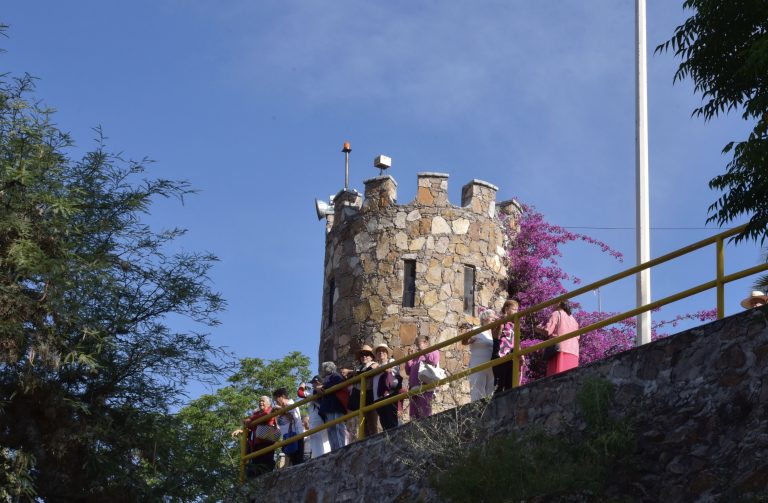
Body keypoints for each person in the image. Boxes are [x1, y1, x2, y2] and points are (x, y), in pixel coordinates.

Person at [536, 301, 580, 377]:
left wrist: (538, 329)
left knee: (556, 377)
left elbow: (547, 331)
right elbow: (578, 337)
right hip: (574, 352)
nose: (552, 305)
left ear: (559, 303)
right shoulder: (574, 320)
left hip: (559, 349)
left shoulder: (557, 313)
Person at [462, 310, 495, 401]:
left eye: (494, 317)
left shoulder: (494, 332)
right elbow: (465, 342)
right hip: (478, 364)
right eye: (491, 316)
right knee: (477, 390)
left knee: (491, 391)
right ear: (484, 318)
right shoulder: (477, 330)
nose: (494, 318)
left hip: (492, 365)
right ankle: (477, 413)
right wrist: (467, 335)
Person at [404, 335, 440, 419]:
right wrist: (409, 357)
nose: (416, 345)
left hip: (425, 388)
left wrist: (424, 351)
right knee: (413, 417)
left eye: (417, 342)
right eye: (415, 343)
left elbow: (433, 361)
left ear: (425, 342)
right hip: (414, 389)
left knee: (425, 415)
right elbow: (408, 371)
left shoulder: (433, 350)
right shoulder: (416, 356)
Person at [242, 396, 278, 477]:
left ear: (268, 403)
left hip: (267, 442)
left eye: (263, 401)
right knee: (255, 465)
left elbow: (265, 416)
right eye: (259, 401)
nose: (260, 402)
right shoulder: (257, 414)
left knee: (265, 464)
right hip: (256, 444)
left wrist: (251, 419)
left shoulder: (270, 410)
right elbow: (250, 426)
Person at [318, 361, 349, 451]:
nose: (323, 370)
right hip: (329, 408)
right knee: (331, 429)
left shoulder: (335, 376)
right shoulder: (327, 379)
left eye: (324, 368)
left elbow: (339, 382)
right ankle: (334, 449)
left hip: (335, 406)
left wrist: (323, 386)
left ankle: (340, 447)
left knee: (337, 427)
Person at [297, 376, 331, 458]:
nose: (312, 385)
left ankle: (318, 456)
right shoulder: (326, 388)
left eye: (313, 383)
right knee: (325, 437)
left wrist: (301, 386)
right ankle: (326, 454)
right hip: (326, 416)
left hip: (317, 417)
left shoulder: (315, 391)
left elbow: (300, 393)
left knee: (315, 436)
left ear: (318, 383)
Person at [371, 343, 402, 430]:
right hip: (377, 396)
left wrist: (379, 368)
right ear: (376, 355)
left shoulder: (391, 361)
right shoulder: (374, 366)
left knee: (392, 419)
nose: (381, 353)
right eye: (378, 351)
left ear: (387, 353)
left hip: (389, 394)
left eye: (383, 351)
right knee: (383, 421)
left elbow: (393, 372)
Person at [272, 387, 306, 467]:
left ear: (282, 396)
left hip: (296, 436)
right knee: (291, 462)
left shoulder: (291, 404)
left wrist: (280, 409)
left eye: (276, 398)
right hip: (286, 437)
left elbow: (291, 417)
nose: (275, 401)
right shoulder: (282, 407)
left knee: (297, 462)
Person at [351, 344, 379, 437]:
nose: (364, 356)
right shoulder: (359, 368)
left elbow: (368, 372)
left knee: (372, 423)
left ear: (371, 356)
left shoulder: (374, 364)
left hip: (370, 395)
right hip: (360, 396)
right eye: (362, 355)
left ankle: (374, 443)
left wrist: (352, 372)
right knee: (363, 426)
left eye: (366, 354)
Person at [494, 299, 520, 392]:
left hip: (511, 354)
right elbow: (496, 335)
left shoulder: (514, 324)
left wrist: (521, 354)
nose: (516, 311)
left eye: (517, 310)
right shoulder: (500, 320)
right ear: (506, 308)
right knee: (501, 381)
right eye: (514, 309)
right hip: (501, 353)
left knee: (510, 382)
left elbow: (516, 340)